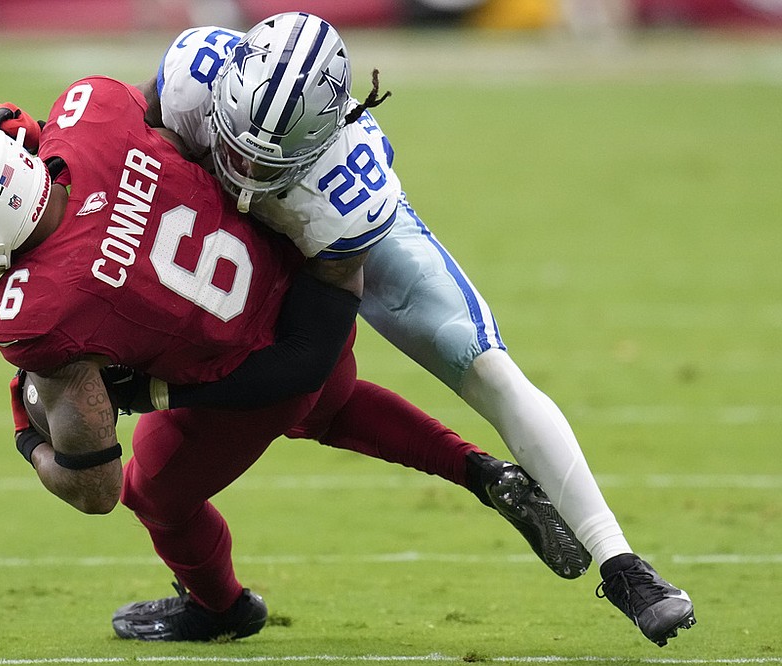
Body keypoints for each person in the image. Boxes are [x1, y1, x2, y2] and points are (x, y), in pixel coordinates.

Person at [0, 74, 581, 644]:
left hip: (257, 374)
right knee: (330, 403)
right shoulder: (92, 105)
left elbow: (93, 488)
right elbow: (129, 148)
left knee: (152, 493)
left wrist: (25, 434)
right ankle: (481, 469)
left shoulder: (38, 316)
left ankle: (219, 608)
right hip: (310, 290)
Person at [132, 11, 695, 647]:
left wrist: (159, 390)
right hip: (214, 234)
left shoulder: (341, 193)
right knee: (312, 405)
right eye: (239, 151)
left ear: (327, 134)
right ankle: (481, 475)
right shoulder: (188, 75)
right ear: (223, 93)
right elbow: (133, 163)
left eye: (272, 164)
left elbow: (310, 353)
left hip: (322, 244)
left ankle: (621, 564)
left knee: (484, 367)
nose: (249, 175)